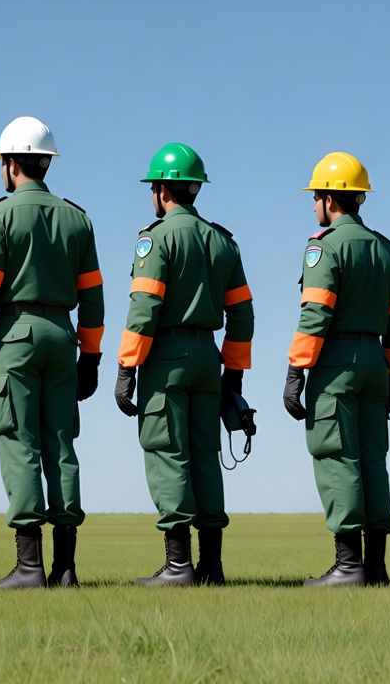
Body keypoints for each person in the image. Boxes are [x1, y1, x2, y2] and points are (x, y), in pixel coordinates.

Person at [0, 116, 103, 589]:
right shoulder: (77, 218)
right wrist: (92, 357)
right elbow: (94, 298)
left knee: (20, 445)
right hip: (64, 338)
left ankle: (27, 567)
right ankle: (65, 568)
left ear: (10, 164)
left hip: (15, 340)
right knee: (61, 448)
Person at [114, 143, 254, 586]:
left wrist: (126, 369)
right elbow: (243, 315)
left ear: (161, 190)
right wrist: (232, 375)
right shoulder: (223, 242)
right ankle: (212, 567)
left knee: (168, 453)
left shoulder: (156, 240)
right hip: (208, 361)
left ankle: (178, 566)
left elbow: (144, 309)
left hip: (166, 360)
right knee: (205, 457)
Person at [282, 152, 390, 586]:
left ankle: (348, 566)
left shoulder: (325, 247)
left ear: (331, 199)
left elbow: (315, 314)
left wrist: (296, 370)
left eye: (316, 196)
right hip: (376, 363)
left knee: (338, 459)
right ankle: (376, 567)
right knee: (373, 459)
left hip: (335, 364)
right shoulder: (387, 251)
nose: (314, 204)